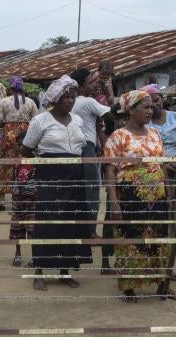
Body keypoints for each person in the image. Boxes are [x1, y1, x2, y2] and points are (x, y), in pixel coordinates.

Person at [22, 75, 92, 291]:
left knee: (71, 221)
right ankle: (39, 271)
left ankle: (65, 270)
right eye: (65, 97)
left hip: (75, 174)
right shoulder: (41, 120)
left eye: (72, 96)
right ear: (55, 98)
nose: (69, 101)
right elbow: (26, 149)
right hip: (51, 174)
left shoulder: (78, 120)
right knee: (48, 223)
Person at [104, 90, 173, 302]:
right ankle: (129, 287)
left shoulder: (154, 134)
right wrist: (114, 203)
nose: (150, 111)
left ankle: (162, 285)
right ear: (131, 110)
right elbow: (110, 171)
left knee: (159, 241)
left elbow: (161, 166)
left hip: (157, 197)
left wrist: (169, 195)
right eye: (146, 107)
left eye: (152, 107)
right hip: (130, 197)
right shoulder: (118, 137)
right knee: (131, 240)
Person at [71, 68, 114, 272]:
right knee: (92, 191)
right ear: (80, 86)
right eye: (90, 81)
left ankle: (82, 230)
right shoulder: (87, 101)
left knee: (79, 190)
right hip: (87, 147)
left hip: (74, 148)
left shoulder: (73, 102)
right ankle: (91, 231)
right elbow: (112, 112)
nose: (94, 84)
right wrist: (110, 91)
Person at [0, 76, 38, 211]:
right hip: (25, 137)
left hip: (8, 137)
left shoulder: (4, 101)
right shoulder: (30, 102)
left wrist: (8, 123)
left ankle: (1, 201)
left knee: (4, 165)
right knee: (23, 165)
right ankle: (18, 200)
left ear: (9, 88)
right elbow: (37, 120)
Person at [10, 131, 36, 267]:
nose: (21, 148)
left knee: (32, 228)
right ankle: (17, 253)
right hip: (18, 198)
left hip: (33, 199)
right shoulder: (17, 162)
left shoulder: (37, 162)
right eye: (19, 145)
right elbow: (13, 179)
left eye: (24, 145)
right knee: (17, 227)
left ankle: (34, 257)